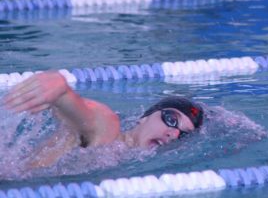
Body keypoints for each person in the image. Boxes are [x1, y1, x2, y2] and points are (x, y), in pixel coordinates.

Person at [2, 71, 204, 168]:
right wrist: (60, 88)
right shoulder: (109, 129)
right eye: (171, 119)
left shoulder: (128, 160)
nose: (174, 133)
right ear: (144, 117)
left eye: (183, 134)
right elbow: (86, 114)